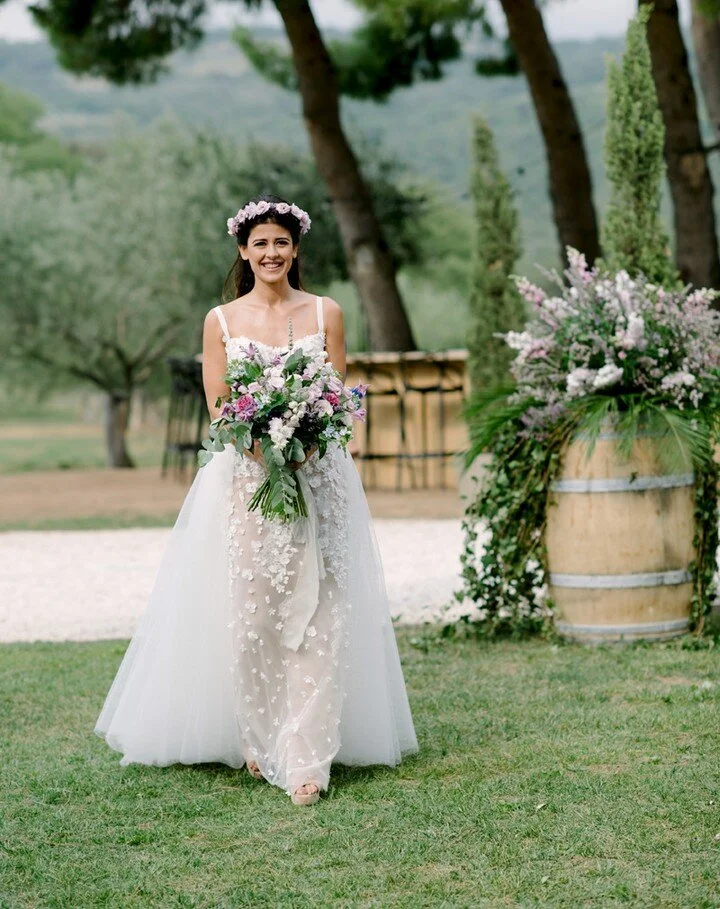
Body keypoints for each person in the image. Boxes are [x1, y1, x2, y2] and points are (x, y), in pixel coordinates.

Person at [95, 194, 418, 806]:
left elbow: (336, 398)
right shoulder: (220, 321)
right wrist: (266, 454)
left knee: (324, 615)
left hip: (320, 479)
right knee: (253, 616)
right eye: (260, 243)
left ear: (296, 251)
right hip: (246, 484)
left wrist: (303, 447)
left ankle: (307, 760)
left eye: (282, 242)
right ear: (243, 251)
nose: (272, 253)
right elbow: (220, 408)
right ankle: (259, 738)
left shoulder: (327, 312)